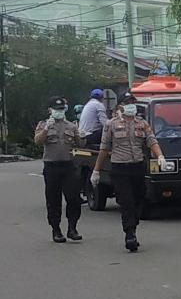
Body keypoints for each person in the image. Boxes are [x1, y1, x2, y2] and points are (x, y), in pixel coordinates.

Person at [91, 91, 167, 252]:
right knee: (126, 201)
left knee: (139, 198)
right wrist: (96, 170)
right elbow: (104, 149)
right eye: (127, 103)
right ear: (120, 106)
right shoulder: (111, 125)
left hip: (137, 166)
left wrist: (160, 156)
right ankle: (130, 234)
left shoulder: (142, 123)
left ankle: (133, 225)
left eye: (132, 102)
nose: (131, 106)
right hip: (120, 168)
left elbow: (151, 140)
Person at [34, 96, 85, 243]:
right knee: (53, 200)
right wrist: (46, 129)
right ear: (50, 110)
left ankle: (72, 228)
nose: (59, 111)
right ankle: (56, 229)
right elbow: (38, 141)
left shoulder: (71, 126)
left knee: (74, 198)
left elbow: (80, 144)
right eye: (56, 109)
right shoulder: (43, 124)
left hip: (68, 165)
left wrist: (82, 136)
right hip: (52, 166)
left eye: (62, 109)